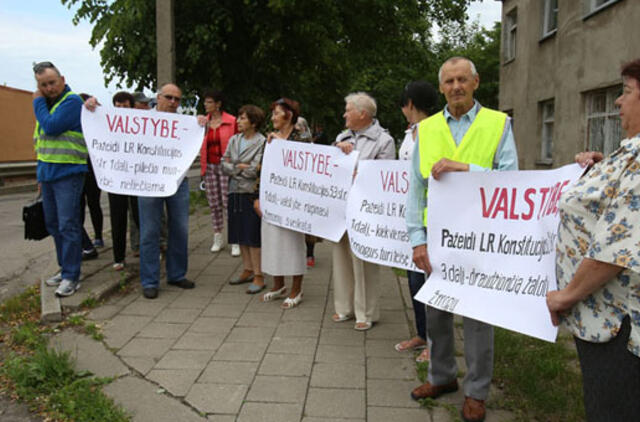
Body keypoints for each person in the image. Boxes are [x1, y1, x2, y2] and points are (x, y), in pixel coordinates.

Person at [406, 57, 517, 422]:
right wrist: (416, 240)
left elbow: (509, 180)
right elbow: (415, 192)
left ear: (475, 83)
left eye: (462, 80)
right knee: (436, 313)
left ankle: (476, 391)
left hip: (481, 240)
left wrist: (466, 168)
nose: (456, 86)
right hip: (437, 240)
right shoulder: (427, 129)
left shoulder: (498, 124)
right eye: (449, 81)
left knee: (477, 317)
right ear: (441, 88)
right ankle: (442, 377)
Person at [546, 58, 640, 421]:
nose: (617, 101)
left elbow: (617, 246)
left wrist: (566, 296)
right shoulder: (628, 154)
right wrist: (600, 171)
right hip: (604, 320)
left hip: (617, 326)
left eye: (627, 92)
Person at [333, 92, 396, 330]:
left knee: (364, 261)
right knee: (341, 258)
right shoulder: (342, 136)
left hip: (366, 211)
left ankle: (366, 312)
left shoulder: (383, 140)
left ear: (363, 113)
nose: (344, 114)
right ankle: (344, 308)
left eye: (348, 110)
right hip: (341, 208)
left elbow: (385, 177)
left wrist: (360, 173)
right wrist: (337, 150)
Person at [138, 83, 197, 299]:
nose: (173, 102)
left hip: (177, 181)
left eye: (177, 99)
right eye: (169, 97)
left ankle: (176, 274)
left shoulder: (185, 123)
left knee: (180, 228)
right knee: (150, 231)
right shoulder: (142, 120)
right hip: (148, 181)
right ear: (158, 97)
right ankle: (150, 281)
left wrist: (199, 125)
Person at [33, 62, 87, 297]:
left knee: (68, 224)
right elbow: (41, 143)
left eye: (52, 82)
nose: (49, 88)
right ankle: (64, 268)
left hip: (68, 174)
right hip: (48, 175)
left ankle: (72, 276)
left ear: (62, 80)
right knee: (53, 224)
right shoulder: (48, 105)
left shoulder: (71, 102)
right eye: (43, 85)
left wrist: (36, 102)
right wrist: (40, 176)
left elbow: (52, 127)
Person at [394, 81, 438, 363]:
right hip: (413, 216)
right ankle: (421, 333)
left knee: (429, 280)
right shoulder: (410, 134)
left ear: (410, 103)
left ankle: (436, 343)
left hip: (432, 216)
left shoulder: (434, 130)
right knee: (413, 280)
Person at [255, 98, 309, 307]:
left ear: (288, 115)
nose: (273, 118)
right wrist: (256, 197)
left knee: (292, 243)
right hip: (272, 198)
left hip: (293, 201)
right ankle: (278, 284)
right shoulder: (270, 140)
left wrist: (282, 145)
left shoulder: (301, 138)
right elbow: (262, 169)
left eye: (276, 113)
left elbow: (303, 167)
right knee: (272, 241)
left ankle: (297, 289)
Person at [222, 105, 265, 294]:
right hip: (234, 192)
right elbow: (224, 163)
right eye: (239, 117)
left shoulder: (262, 142)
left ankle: (259, 275)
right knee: (240, 234)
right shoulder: (234, 139)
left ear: (253, 122)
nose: (238, 121)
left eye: (243, 118)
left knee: (253, 235)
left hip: (250, 193)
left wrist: (236, 168)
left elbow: (256, 169)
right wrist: (239, 167)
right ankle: (247, 269)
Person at [198, 90, 238, 254]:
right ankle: (218, 236)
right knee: (214, 203)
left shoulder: (231, 121)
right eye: (205, 102)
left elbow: (237, 143)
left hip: (225, 166)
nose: (206, 105)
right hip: (209, 166)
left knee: (228, 202)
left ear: (218, 104)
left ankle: (235, 239)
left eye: (209, 102)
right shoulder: (203, 123)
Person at [108, 91, 140, 271]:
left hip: (136, 179)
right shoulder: (109, 125)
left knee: (140, 216)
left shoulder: (140, 125)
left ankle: (147, 250)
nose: (121, 109)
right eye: (117, 106)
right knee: (117, 218)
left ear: (132, 106)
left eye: (125, 106)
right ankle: (118, 257)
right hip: (116, 179)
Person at [295, 116, 320, 268]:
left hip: (308, 189)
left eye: (300, 125)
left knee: (308, 226)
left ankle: (310, 253)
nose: (297, 128)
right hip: (292, 188)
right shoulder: (286, 141)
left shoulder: (310, 144)